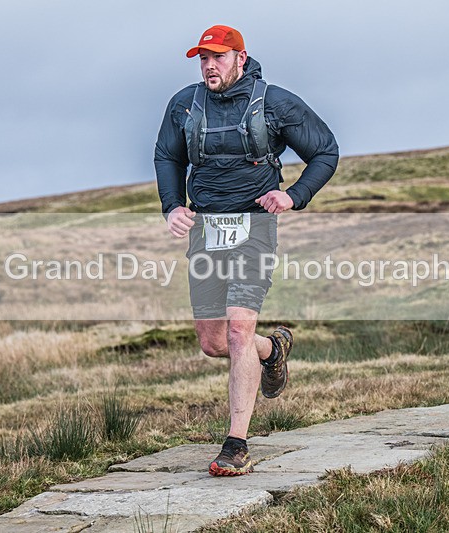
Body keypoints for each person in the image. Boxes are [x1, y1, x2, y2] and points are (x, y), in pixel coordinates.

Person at [154, 25, 338, 476]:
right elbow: (167, 156)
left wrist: (294, 195)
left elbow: (326, 151)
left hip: (254, 226)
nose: (209, 65)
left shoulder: (275, 103)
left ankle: (236, 444)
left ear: (241, 57)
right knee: (214, 341)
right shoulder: (184, 103)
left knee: (237, 331)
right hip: (206, 228)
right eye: (203, 58)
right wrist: (172, 205)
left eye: (218, 56)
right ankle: (272, 351)